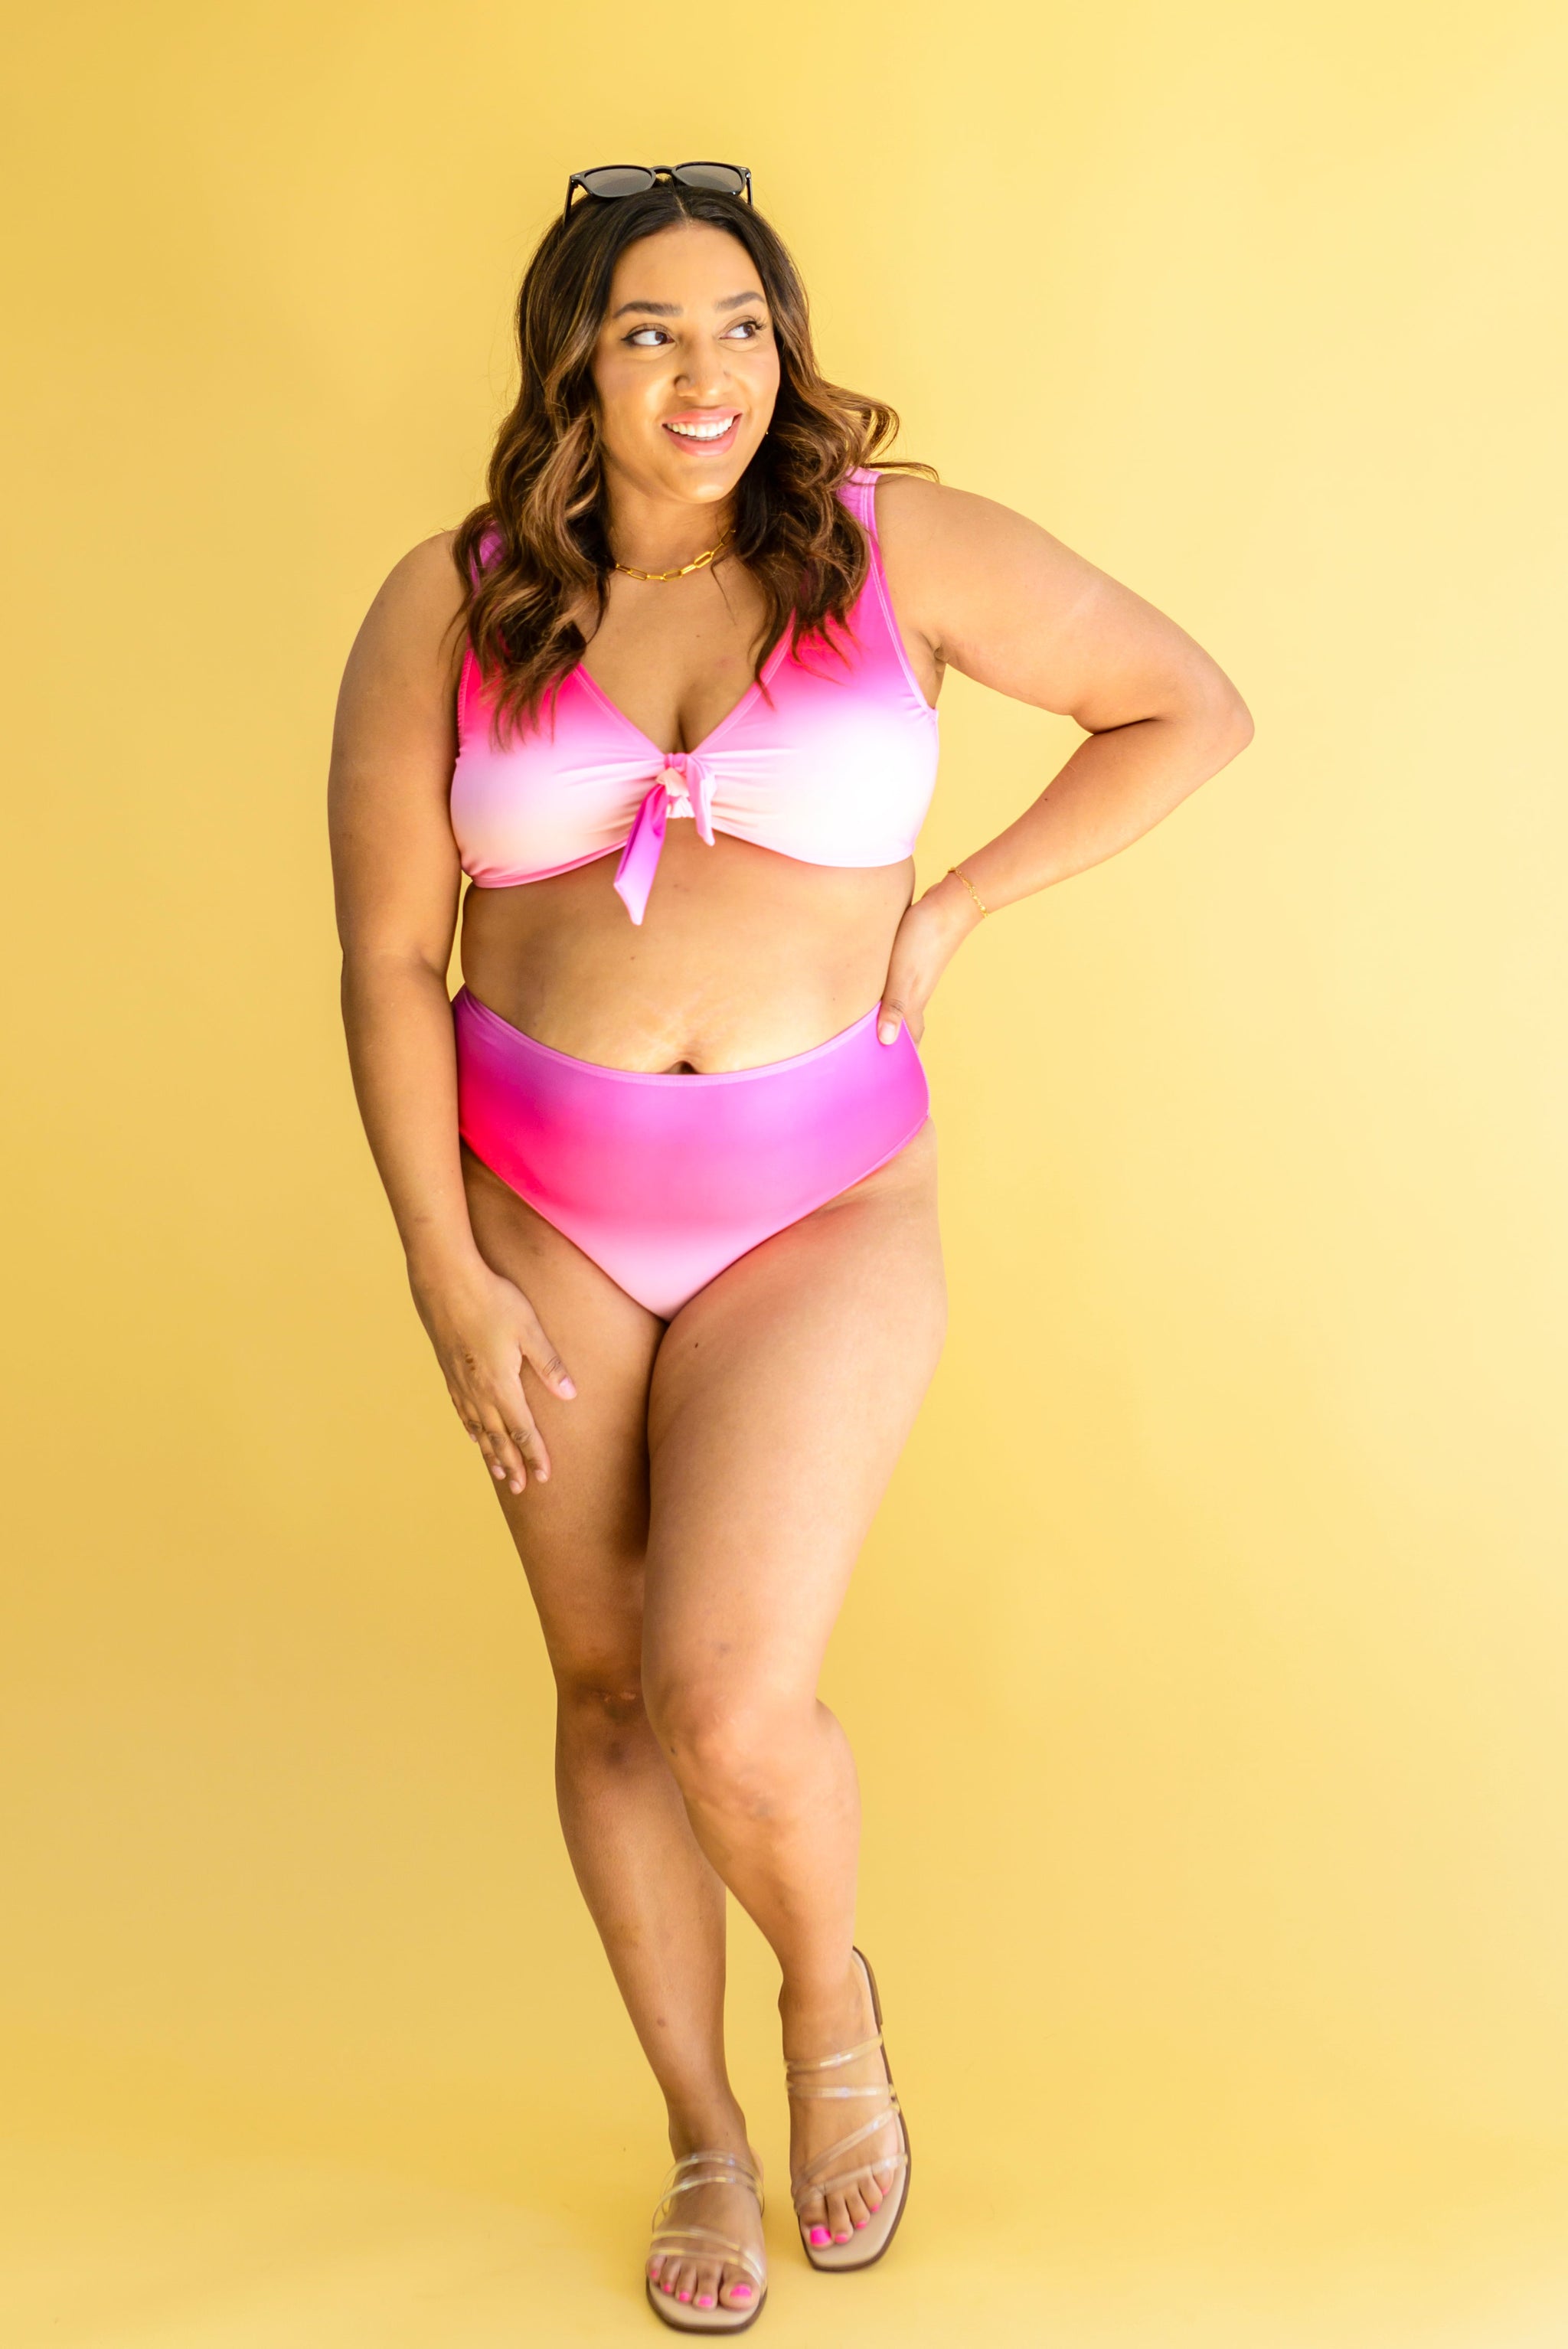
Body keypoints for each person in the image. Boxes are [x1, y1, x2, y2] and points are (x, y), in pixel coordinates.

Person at [328, 161, 1253, 2334]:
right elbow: (384, 963)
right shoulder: (449, 602)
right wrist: (446, 1274)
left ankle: (827, 2002)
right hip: (537, 1213)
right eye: (651, 330)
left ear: (786, 342)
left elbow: (1186, 705)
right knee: (601, 1689)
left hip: (816, 1208)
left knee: (727, 1701)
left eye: (741, 325)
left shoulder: (896, 547)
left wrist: (959, 907)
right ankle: (701, 2130)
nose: (707, 372)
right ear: (573, 359)